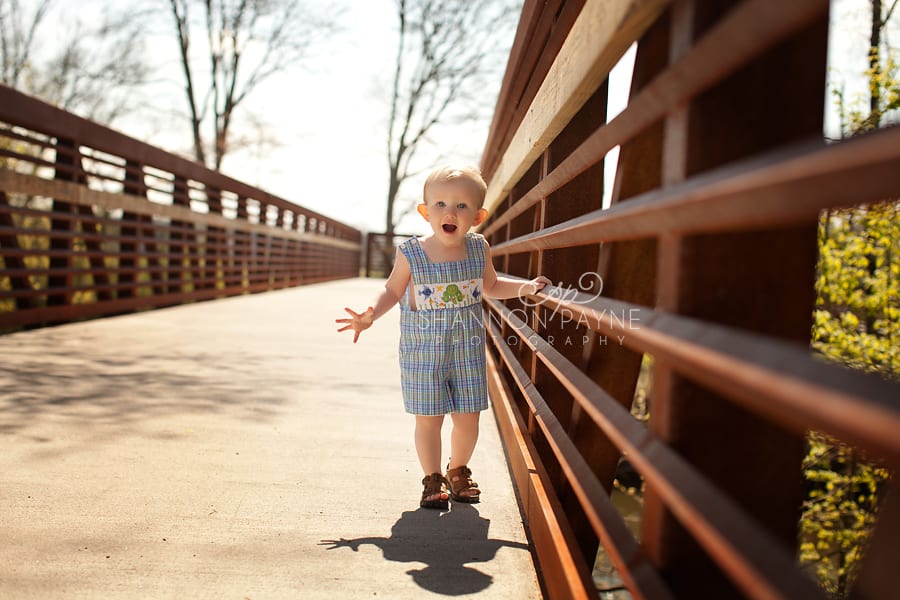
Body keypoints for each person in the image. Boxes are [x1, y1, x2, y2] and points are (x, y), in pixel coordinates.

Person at [336, 165, 550, 510]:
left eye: (462, 206)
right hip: (423, 351)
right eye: (440, 204)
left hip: (466, 349)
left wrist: (525, 288)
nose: (450, 212)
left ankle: (458, 470)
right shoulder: (412, 252)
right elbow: (392, 290)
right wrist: (370, 314)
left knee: (468, 415)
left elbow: (491, 286)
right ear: (425, 211)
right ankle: (432, 477)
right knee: (429, 418)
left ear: (477, 216)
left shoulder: (479, 249)